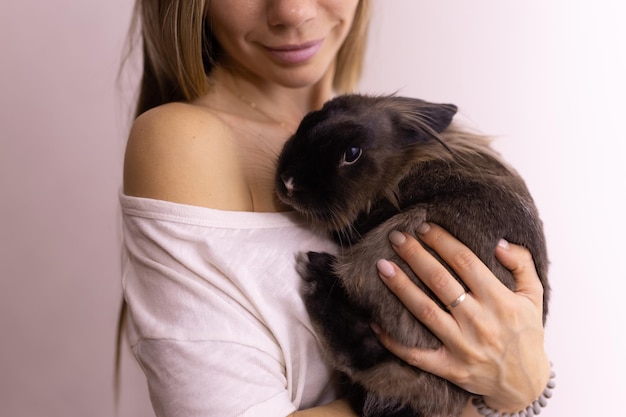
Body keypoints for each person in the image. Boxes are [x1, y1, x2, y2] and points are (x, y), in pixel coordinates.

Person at [119, 1, 552, 416]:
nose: (293, 12)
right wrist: (500, 392)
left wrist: (524, 385)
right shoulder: (185, 141)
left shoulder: (383, 133)